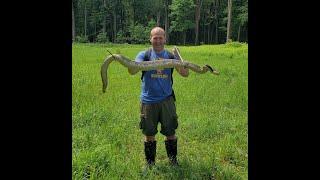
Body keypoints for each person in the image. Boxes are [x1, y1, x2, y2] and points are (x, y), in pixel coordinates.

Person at [129, 27, 189, 168]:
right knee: (149, 134)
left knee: (170, 132)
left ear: (165, 39)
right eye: (155, 37)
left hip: (167, 100)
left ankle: (173, 162)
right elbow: (132, 70)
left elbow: (185, 74)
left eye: (160, 37)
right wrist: (135, 65)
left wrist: (179, 59)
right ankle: (150, 164)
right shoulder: (144, 55)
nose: (157, 40)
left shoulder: (170, 56)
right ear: (150, 39)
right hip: (148, 101)